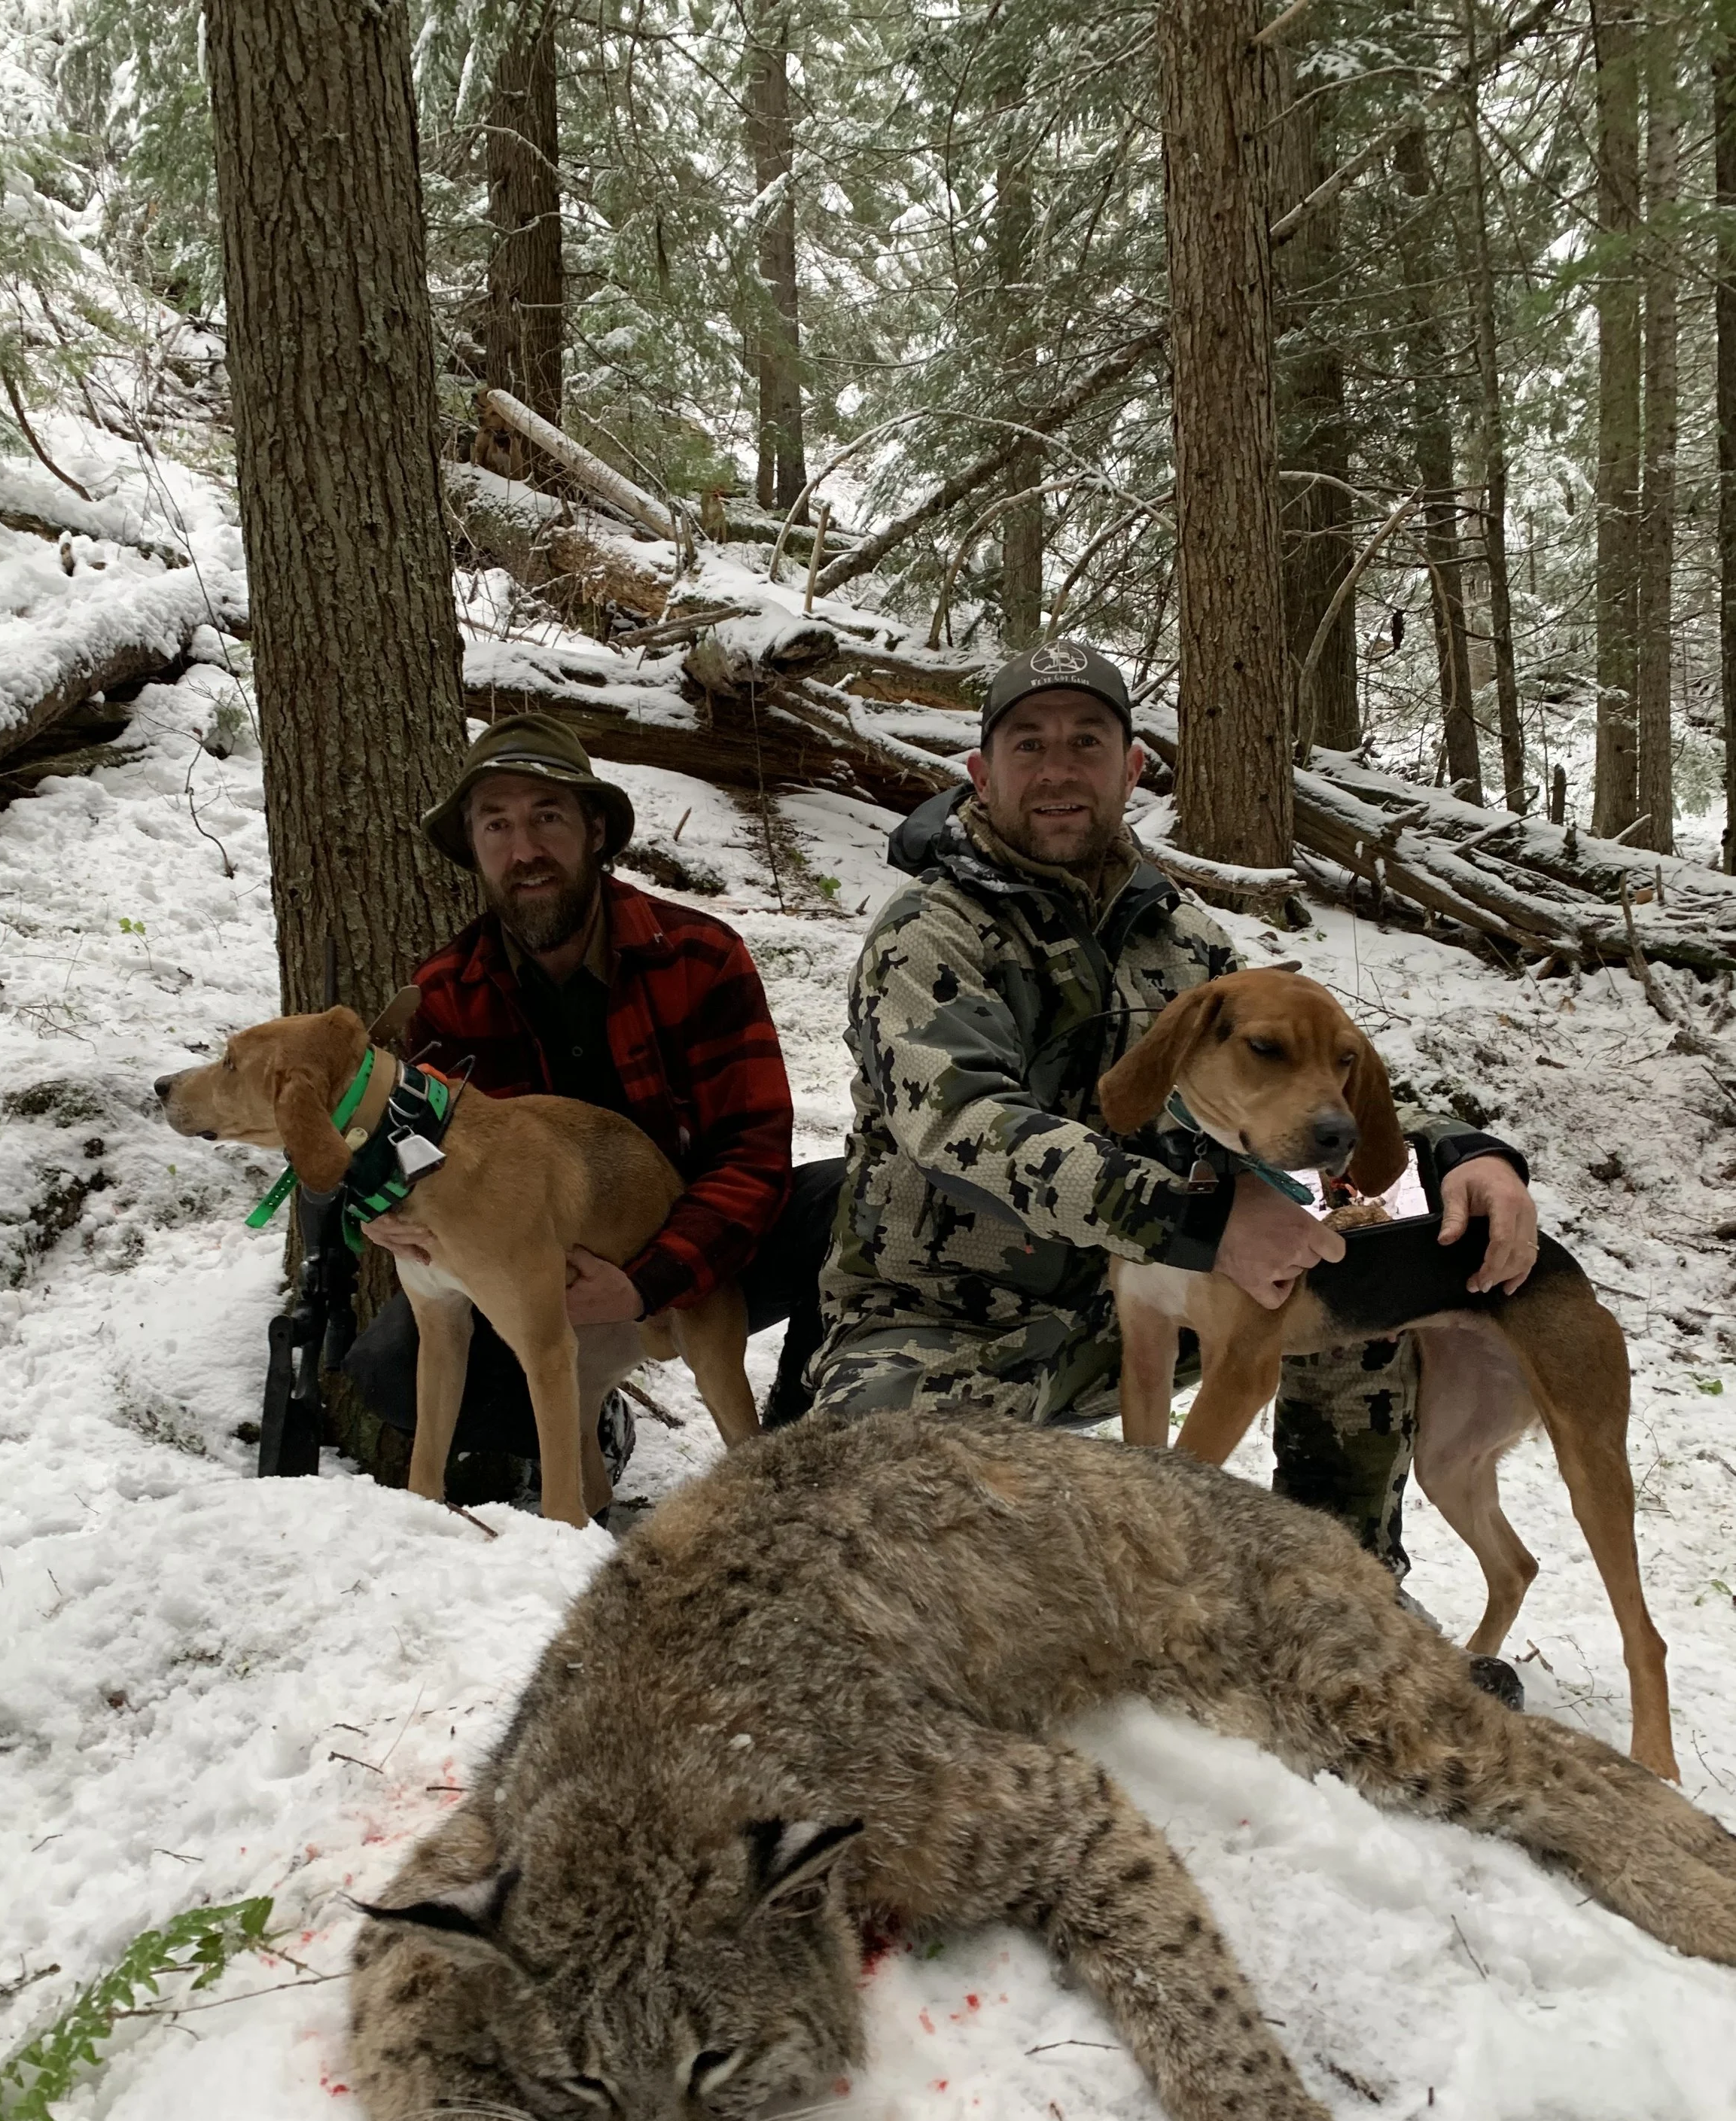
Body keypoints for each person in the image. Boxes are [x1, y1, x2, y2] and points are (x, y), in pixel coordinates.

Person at [809, 640, 1539, 1669]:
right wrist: (1198, 1220)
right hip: (946, 1326)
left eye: (1086, 742)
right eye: (1029, 745)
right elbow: (965, 1124)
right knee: (868, 1559)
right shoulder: (929, 934)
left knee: (1354, 1283)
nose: (1058, 768)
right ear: (982, 774)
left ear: (1132, 768)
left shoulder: (1182, 940)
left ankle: (1344, 1603)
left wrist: (1464, 1150)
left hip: (1129, 1311)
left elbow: (1303, 1070)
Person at [343, 713, 842, 1491]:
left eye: (548, 817)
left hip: (702, 1247)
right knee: (385, 1369)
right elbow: (427, 1149)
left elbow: (751, 1152)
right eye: (497, 826)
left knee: (854, 1201)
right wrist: (381, 1202)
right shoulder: (444, 992)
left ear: (595, 829)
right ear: (472, 849)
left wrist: (649, 1280)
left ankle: (793, 1438)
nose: (525, 851)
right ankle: (582, 1425)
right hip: (542, 1262)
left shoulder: (701, 957)